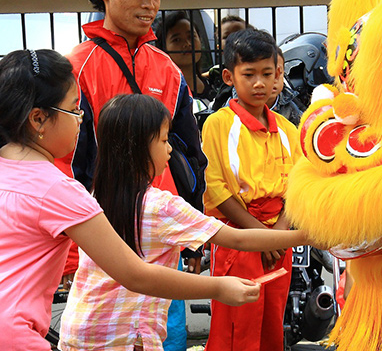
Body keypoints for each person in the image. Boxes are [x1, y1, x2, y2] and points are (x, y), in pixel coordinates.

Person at [0, 49, 260, 351]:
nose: (81, 121)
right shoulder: (58, 190)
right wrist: (218, 287)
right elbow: (134, 274)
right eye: (75, 110)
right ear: (38, 119)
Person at [58, 93, 310, 350]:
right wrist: (306, 237)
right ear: (139, 147)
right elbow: (237, 238)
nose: (170, 149)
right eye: (165, 140)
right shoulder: (160, 206)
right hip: (128, 337)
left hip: (81, 329)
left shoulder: (96, 196)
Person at [54, 0, 207, 348]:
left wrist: (195, 231)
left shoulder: (169, 70)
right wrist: (72, 251)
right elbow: (67, 163)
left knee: (166, 328)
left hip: (162, 226)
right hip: (102, 229)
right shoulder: (77, 67)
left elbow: (190, 153)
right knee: (105, 327)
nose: (151, 5)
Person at [201, 29, 300, 351]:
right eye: (249, 74)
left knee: (273, 322)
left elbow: (301, 185)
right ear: (229, 76)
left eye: (267, 74)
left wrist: (280, 233)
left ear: (277, 75)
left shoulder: (288, 130)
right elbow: (214, 188)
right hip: (238, 237)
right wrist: (261, 235)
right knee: (235, 328)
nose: (260, 83)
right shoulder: (218, 124)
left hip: (279, 236)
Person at [154, 10, 216, 104]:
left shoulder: (214, 85)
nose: (187, 44)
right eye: (177, 40)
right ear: (163, 47)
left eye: (191, 36)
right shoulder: (161, 92)